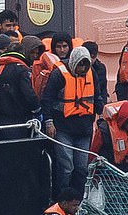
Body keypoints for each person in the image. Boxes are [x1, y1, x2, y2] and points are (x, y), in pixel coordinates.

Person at [42, 46, 103, 196]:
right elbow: (47, 99)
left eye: (85, 64)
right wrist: (49, 122)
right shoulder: (58, 75)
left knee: (82, 167)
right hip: (63, 128)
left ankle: (78, 199)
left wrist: (100, 111)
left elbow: (97, 96)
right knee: (66, 166)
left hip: (84, 129)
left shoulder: (91, 74)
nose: (82, 68)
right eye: (80, 64)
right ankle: (62, 197)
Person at [0, 43, 41, 140]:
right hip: (16, 121)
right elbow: (28, 93)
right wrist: (37, 109)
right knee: (16, 152)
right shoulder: (21, 69)